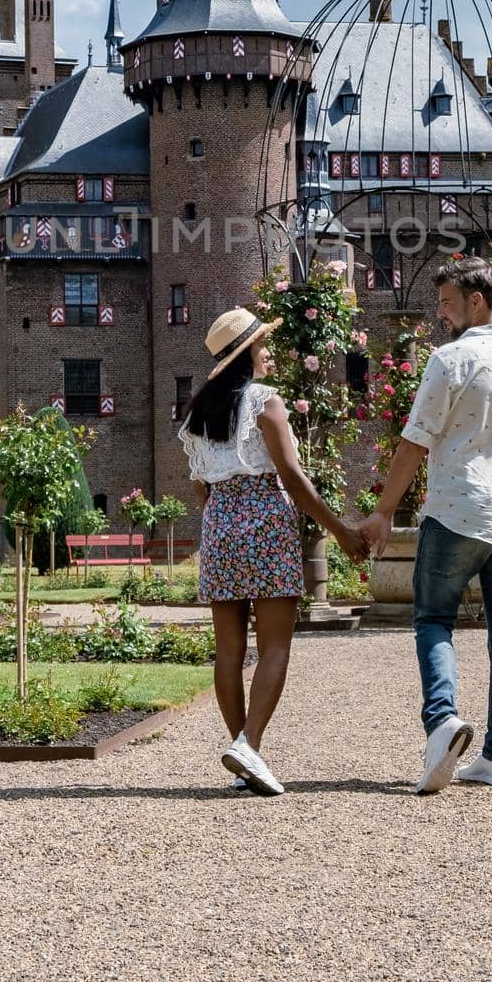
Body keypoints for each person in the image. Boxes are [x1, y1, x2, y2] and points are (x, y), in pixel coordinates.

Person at [360, 258, 492, 794]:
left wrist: (383, 510)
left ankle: (442, 722)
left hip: (456, 510)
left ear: (477, 300)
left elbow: (415, 440)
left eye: (448, 301)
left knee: (433, 619)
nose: (441, 312)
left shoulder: (450, 360)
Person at [180, 306, 369, 796]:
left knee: (228, 651)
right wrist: (343, 531)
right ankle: (250, 745)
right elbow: (292, 478)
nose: (268, 352)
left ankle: (244, 754)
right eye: (261, 345)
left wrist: (226, 516)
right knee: (276, 646)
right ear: (246, 355)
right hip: (266, 521)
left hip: (219, 523)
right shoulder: (267, 402)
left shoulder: (200, 412)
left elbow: (201, 488)